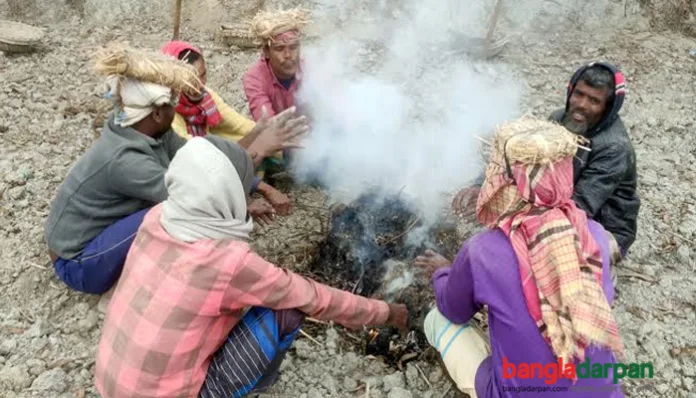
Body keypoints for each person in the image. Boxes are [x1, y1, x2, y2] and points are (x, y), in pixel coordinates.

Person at [94, 137, 410, 398]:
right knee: (287, 308)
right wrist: (386, 312)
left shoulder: (159, 217)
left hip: (110, 385)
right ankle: (258, 385)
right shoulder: (227, 262)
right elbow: (314, 298)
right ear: (227, 194)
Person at [44, 47, 305, 295]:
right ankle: (129, 288)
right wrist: (258, 152)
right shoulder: (124, 159)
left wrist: (256, 144)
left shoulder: (150, 130)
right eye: (172, 104)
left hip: (101, 236)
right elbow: (193, 196)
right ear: (157, 113)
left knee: (183, 200)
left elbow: (202, 158)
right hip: (79, 263)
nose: (177, 106)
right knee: (170, 215)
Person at [416, 117, 625, 397]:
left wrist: (443, 272)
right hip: (605, 392)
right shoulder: (595, 235)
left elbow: (453, 310)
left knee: (436, 320)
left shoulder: (483, 252)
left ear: (504, 179)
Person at [453, 61, 639, 259]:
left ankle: (601, 278)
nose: (581, 105)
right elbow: (522, 157)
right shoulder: (560, 118)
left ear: (608, 108)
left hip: (600, 225)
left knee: (536, 258)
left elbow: (580, 207)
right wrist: (483, 186)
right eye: (579, 94)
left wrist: (516, 213)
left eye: (594, 101)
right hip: (557, 201)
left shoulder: (614, 148)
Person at [161, 40, 295, 217]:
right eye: (189, 79)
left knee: (267, 147)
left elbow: (238, 126)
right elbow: (201, 159)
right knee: (254, 152)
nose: (198, 86)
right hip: (187, 176)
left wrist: (270, 134)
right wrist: (266, 188)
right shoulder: (166, 113)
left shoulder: (206, 97)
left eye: (202, 75)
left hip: (210, 159)